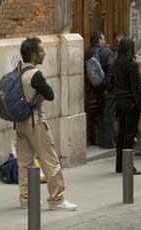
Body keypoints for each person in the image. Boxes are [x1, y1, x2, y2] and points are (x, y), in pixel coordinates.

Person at [16, 37, 77, 210]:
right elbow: (50, 94)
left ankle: (26, 199)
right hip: (36, 122)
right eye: (42, 50)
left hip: (20, 123)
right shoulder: (35, 75)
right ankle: (57, 199)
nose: (45, 53)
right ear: (34, 55)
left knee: (24, 163)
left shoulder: (18, 72)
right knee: (50, 160)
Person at [112, 37, 141, 175]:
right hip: (131, 102)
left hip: (119, 102)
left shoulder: (116, 64)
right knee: (129, 134)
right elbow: (136, 87)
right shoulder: (131, 65)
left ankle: (120, 165)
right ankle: (128, 166)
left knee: (122, 134)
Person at [85, 32, 116, 148]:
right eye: (103, 39)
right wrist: (108, 86)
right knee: (108, 115)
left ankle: (96, 139)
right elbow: (111, 70)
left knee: (99, 113)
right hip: (107, 89)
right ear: (98, 41)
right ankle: (108, 141)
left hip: (94, 89)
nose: (104, 41)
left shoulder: (87, 52)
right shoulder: (106, 52)